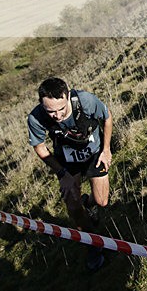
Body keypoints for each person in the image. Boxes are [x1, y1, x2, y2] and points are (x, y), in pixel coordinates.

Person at [27, 77, 113, 271]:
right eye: (51, 111)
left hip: (94, 154)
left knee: (102, 201)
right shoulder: (36, 118)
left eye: (61, 109)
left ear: (67, 96)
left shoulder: (86, 101)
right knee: (73, 208)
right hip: (66, 161)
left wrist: (106, 149)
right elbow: (40, 148)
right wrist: (62, 173)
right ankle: (93, 244)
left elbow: (107, 118)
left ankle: (90, 204)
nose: (57, 115)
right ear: (42, 104)